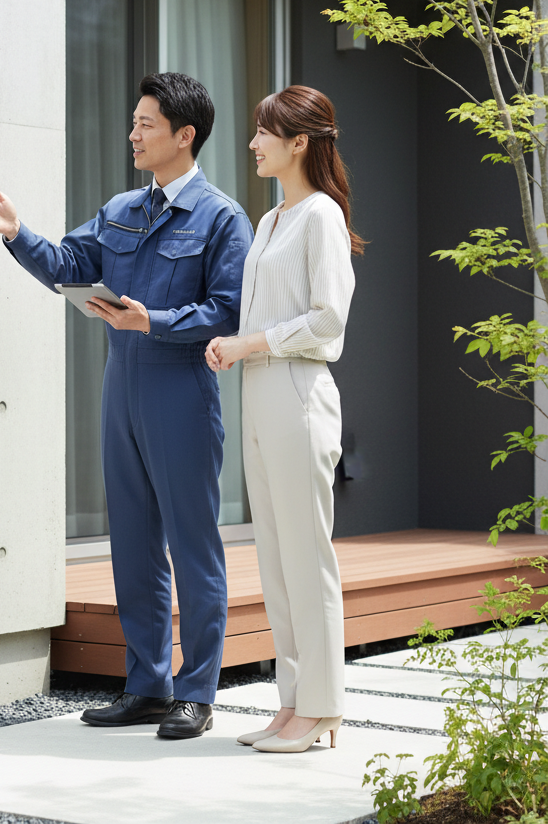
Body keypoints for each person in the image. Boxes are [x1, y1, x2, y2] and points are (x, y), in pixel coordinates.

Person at [0, 72, 253, 739]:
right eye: (133, 122)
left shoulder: (221, 217)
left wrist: (157, 321)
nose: (133, 134)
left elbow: (231, 309)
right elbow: (68, 261)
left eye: (146, 124)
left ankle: (197, 691)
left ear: (185, 135)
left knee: (193, 542)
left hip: (180, 387)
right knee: (133, 543)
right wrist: (16, 234)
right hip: (119, 388)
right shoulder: (122, 207)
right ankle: (147, 685)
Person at [206, 85, 360, 754]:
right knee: (274, 557)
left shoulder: (321, 214)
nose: (253, 143)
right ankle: (294, 702)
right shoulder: (271, 221)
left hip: (298, 392)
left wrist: (250, 344)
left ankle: (323, 706)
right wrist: (234, 344)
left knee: (307, 557)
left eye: (265, 132)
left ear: (300, 141)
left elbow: (328, 320)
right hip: (261, 394)